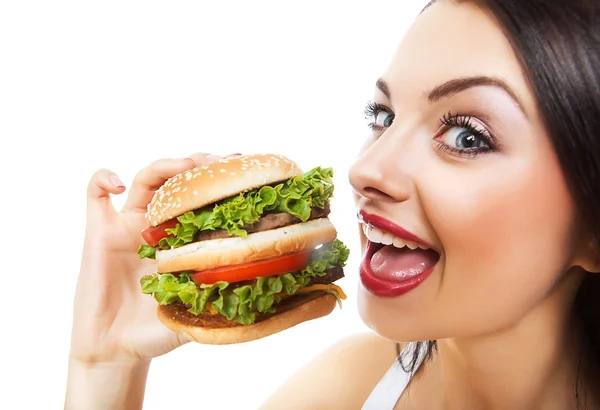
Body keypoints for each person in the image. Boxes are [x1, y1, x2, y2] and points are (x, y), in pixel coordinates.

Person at [65, 0, 600, 408]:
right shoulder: (343, 388)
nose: (365, 170)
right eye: (383, 116)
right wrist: (104, 366)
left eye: (466, 136)